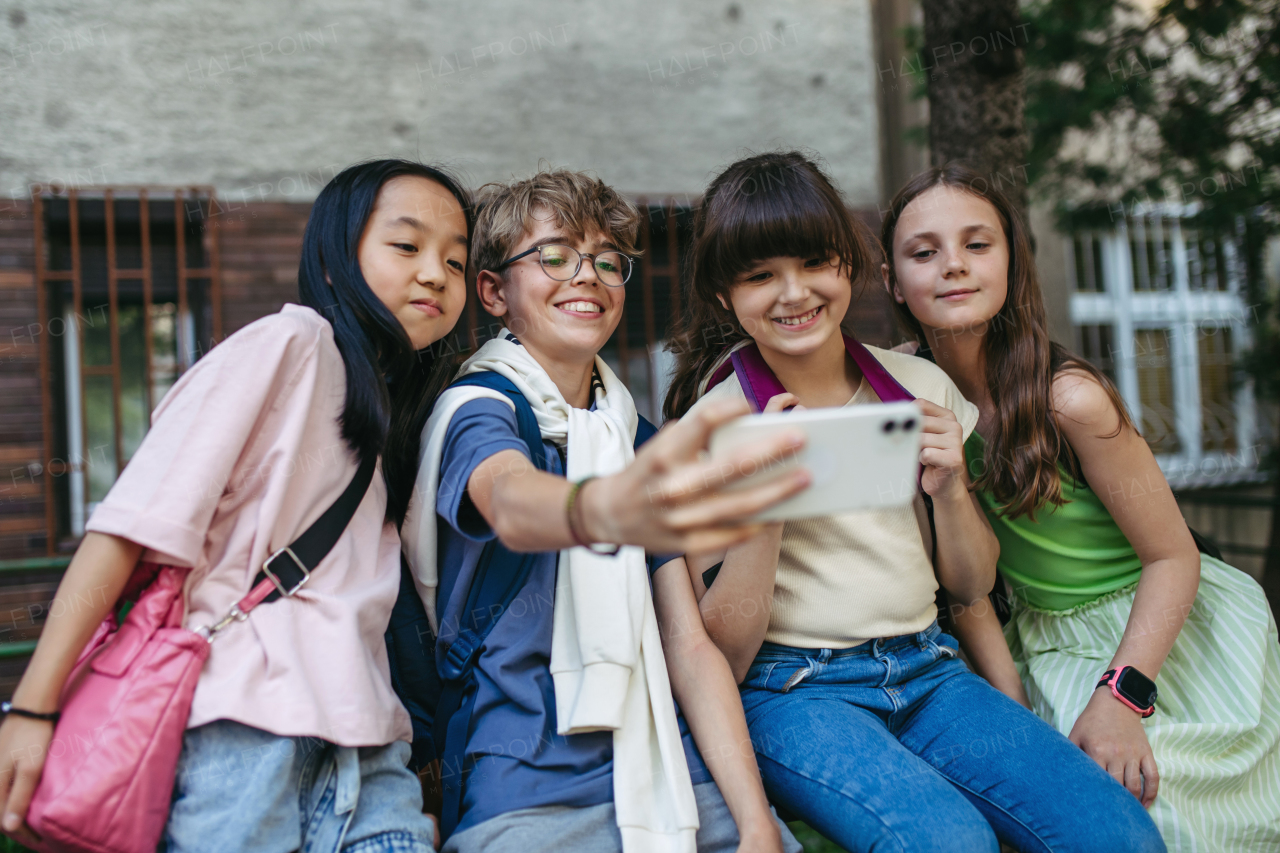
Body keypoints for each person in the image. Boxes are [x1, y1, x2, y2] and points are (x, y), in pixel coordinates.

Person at [663, 151, 1167, 853]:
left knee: (1120, 835)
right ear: (725, 296)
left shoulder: (918, 387)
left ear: (847, 265)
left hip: (930, 671)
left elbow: (970, 584)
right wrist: (764, 509)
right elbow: (721, 649)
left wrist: (951, 486)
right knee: (948, 842)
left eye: (813, 263)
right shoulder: (703, 435)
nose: (793, 293)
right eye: (759, 276)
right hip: (795, 692)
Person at [0, 159, 476, 852]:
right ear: (337, 260)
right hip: (243, 728)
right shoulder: (290, 343)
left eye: (456, 261)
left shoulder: (394, 415)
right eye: (406, 246)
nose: (435, 272)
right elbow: (129, 528)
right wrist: (34, 708)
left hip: (370, 747)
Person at [397, 168, 805, 853]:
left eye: (608, 261)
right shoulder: (480, 412)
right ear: (494, 291)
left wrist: (757, 819)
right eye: (555, 256)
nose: (587, 275)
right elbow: (510, 499)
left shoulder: (629, 432)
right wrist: (607, 505)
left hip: (672, 774)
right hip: (524, 790)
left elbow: (690, 644)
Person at [880, 161, 1280, 851]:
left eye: (978, 244)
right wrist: (1015, 706)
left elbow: (1171, 554)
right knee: (1068, 811)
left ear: (1012, 262)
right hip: (1045, 637)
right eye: (924, 251)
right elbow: (968, 592)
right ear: (892, 282)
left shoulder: (1069, 400)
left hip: (1159, 629)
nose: (953, 265)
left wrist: (1123, 697)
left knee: (1170, 813)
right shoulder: (905, 398)